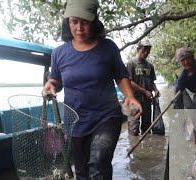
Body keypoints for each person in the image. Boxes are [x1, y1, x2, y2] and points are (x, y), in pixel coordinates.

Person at [42, 0, 141, 179]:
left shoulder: (108, 47)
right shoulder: (59, 53)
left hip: (106, 116)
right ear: (68, 22)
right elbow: (55, 79)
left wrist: (131, 97)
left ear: (94, 21)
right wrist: (51, 85)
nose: (79, 27)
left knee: (99, 161)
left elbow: (121, 75)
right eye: (74, 21)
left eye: (85, 22)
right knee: (82, 172)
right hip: (75, 122)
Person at [126, 40, 161, 136]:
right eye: (144, 50)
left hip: (146, 101)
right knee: (133, 130)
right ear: (138, 49)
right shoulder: (131, 63)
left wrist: (156, 89)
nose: (146, 53)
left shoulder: (150, 66)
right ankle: (135, 149)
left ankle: (147, 149)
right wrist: (144, 91)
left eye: (148, 51)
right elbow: (129, 81)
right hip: (134, 100)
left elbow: (152, 82)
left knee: (147, 128)